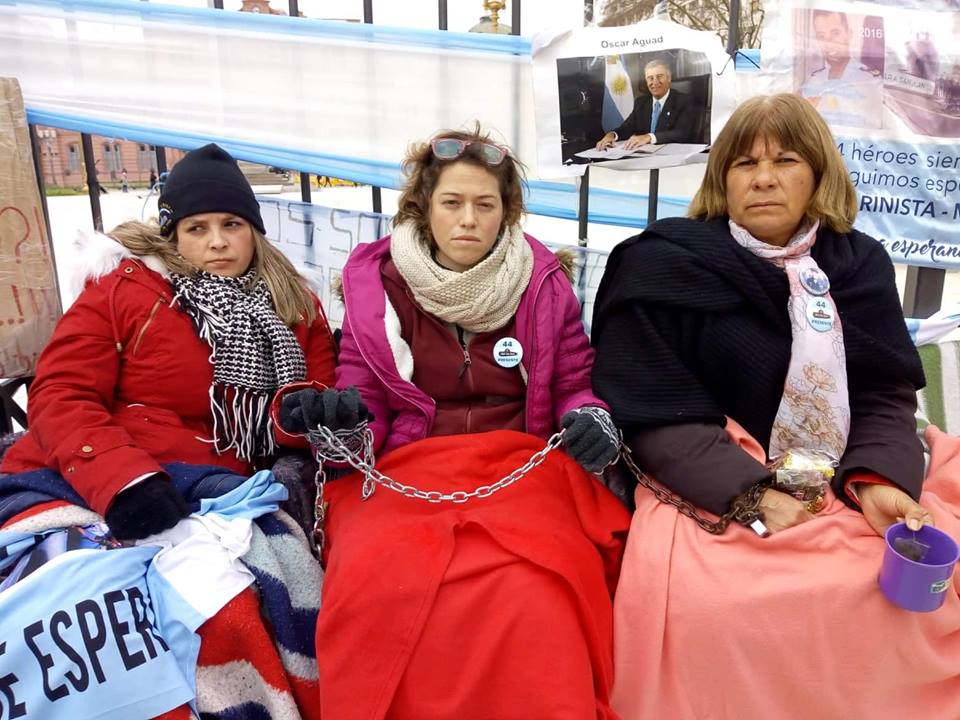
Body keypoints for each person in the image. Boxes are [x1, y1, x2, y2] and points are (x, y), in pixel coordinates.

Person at [591, 93, 960, 719]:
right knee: (725, 607)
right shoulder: (660, 263)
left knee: (910, 585)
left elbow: (882, 392)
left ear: (817, 174)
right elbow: (655, 411)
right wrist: (753, 494)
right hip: (713, 475)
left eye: (786, 160)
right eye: (743, 164)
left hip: (847, 469)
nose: (763, 178)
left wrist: (877, 480)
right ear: (721, 180)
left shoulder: (856, 263)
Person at [280, 127, 630, 718]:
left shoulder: (542, 283)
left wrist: (590, 419)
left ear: (506, 213)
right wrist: (343, 423)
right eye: (452, 203)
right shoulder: (377, 285)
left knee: (538, 591)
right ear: (424, 207)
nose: (468, 219)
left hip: (522, 468)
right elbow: (361, 397)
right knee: (377, 586)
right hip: (404, 472)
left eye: (485, 204)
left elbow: (573, 384)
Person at [2, 142, 337, 542]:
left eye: (232, 224)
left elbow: (309, 409)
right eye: (197, 228)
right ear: (173, 235)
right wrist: (125, 480)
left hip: (226, 486)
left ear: (254, 232)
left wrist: (305, 417)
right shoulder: (124, 290)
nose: (217, 242)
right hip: (120, 474)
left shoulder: (294, 304)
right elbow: (61, 394)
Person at [800, 10, 883, 129]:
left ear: (849, 34)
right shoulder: (813, 81)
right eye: (821, 36)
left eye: (835, 33)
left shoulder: (870, 81)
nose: (828, 42)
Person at [594, 58, 698, 150]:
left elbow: (682, 133)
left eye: (659, 76)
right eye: (650, 78)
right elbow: (627, 127)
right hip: (642, 157)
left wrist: (648, 137)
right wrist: (612, 135)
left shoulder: (684, 100)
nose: (655, 82)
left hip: (672, 159)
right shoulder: (641, 102)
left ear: (669, 78)